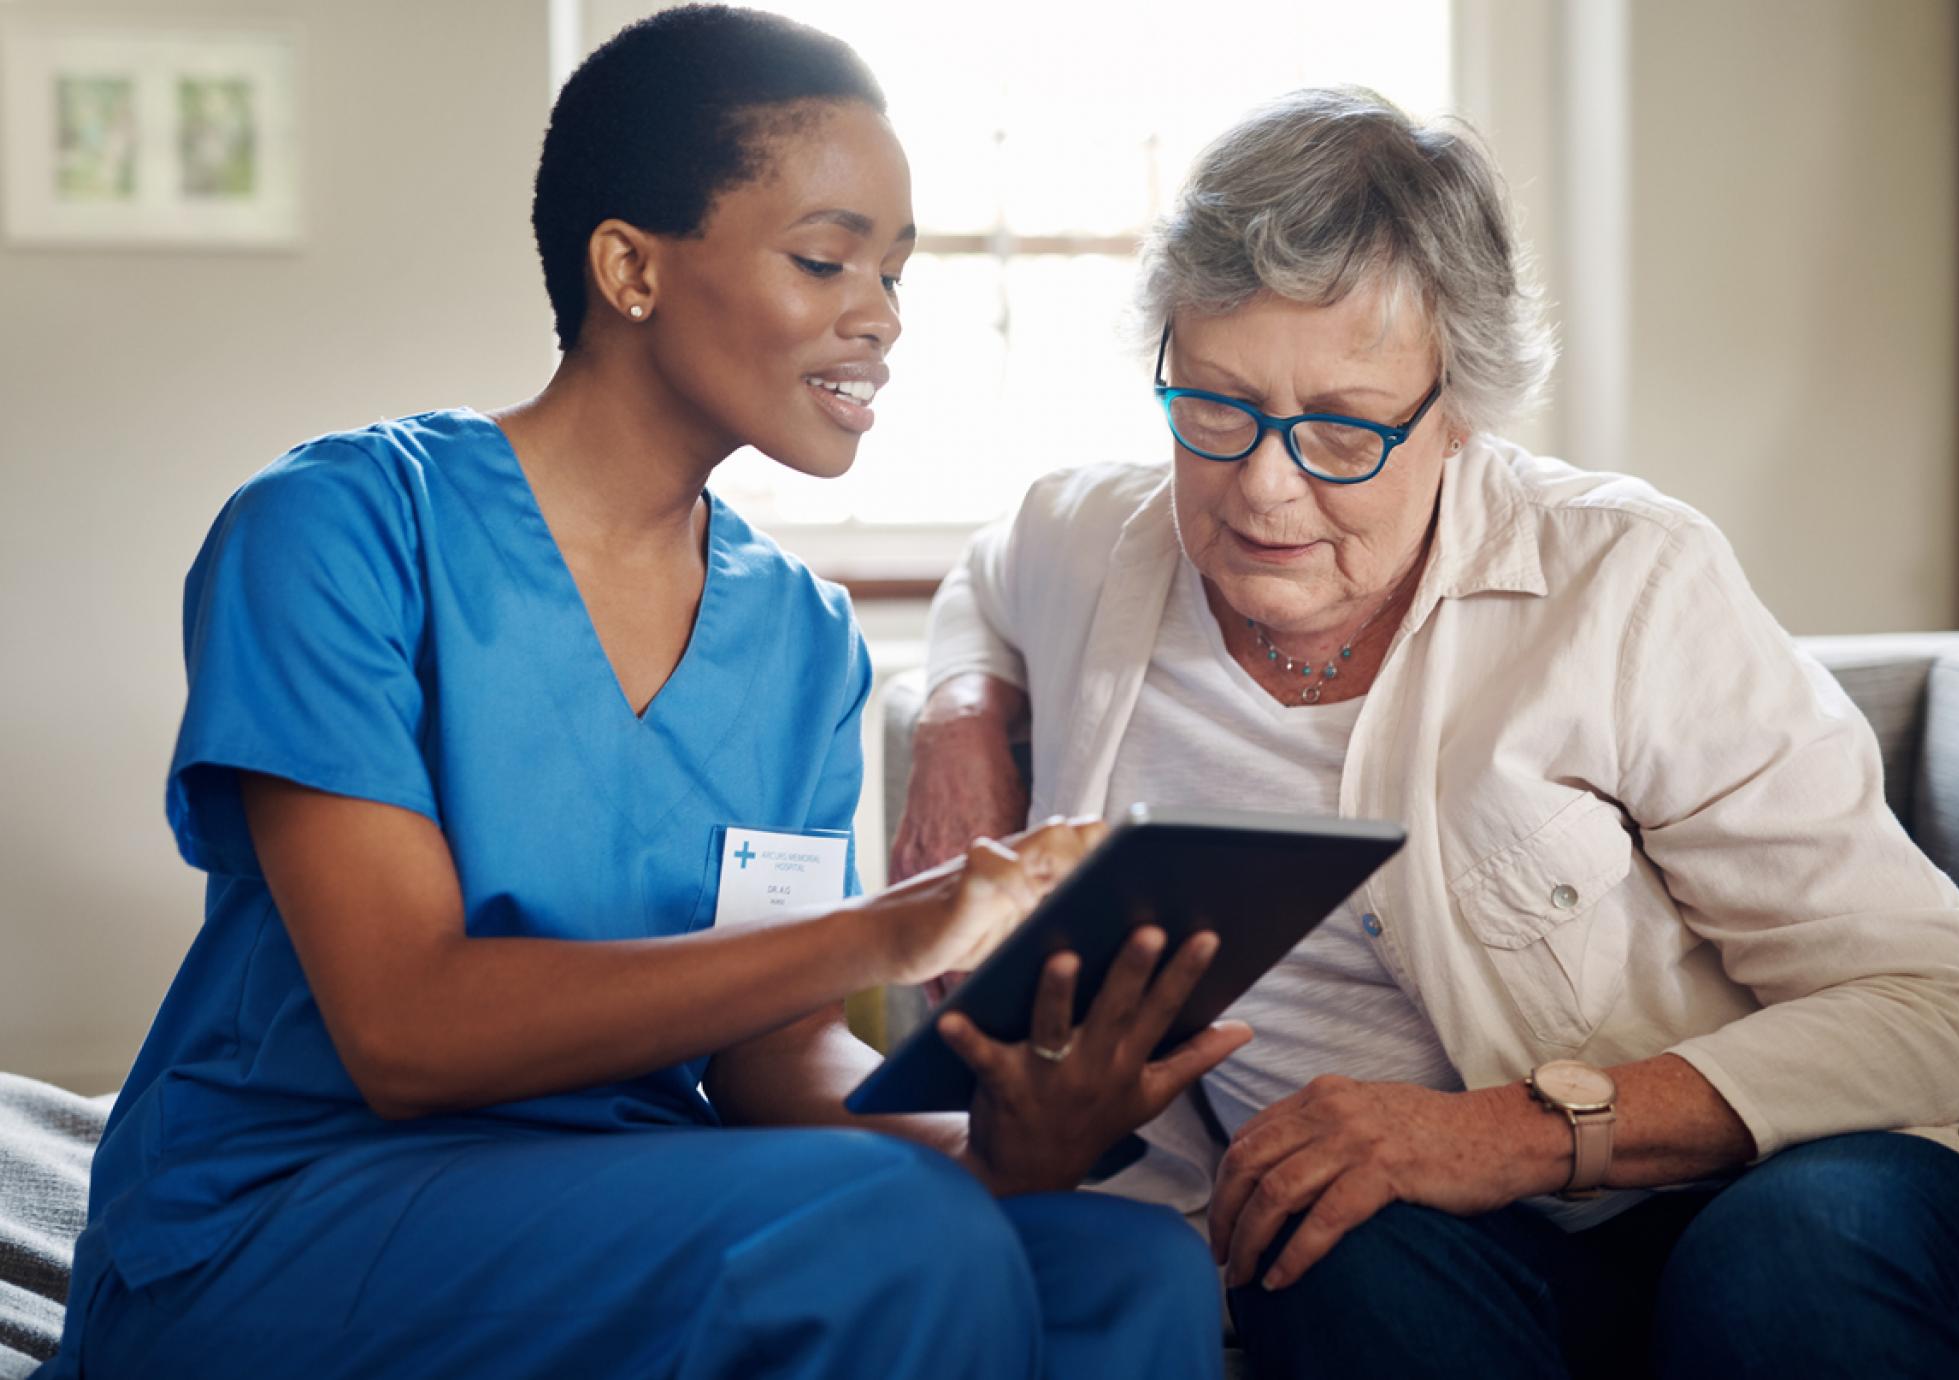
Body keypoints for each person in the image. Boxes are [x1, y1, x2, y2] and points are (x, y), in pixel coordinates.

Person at [36, 9, 1251, 1378]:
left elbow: (775, 1060)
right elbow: (403, 1029)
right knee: (891, 1233)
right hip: (286, 1215)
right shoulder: (338, 531)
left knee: (1132, 1269)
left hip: (633, 1199)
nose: (883, 320)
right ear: (629, 267)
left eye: (896, 273)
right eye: (825, 258)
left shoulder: (799, 637)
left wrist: (993, 1144)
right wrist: (904, 925)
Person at [894, 85, 1959, 1379]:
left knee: (1781, 1263)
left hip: (1771, 1190)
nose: (1263, 485)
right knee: (1308, 1234)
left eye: (1344, 429)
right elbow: (992, 574)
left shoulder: (1623, 582)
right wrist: (963, 717)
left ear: (1459, 407)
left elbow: (1936, 1010)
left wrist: (1510, 1132)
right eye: (1214, 406)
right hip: (1449, 1255)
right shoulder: (1091, 544)